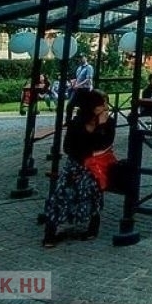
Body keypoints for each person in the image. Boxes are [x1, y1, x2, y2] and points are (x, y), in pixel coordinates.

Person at [43, 89, 115, 247]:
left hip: (96, 165)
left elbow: (103, 144)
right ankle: (50, 230)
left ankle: (93, 225)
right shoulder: (77, 123)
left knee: (90, 187)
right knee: (62, 191)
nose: (105, 108)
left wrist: (101, 126)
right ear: (91, 107)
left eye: (105, 104)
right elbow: (69, 147)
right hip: (76, 163)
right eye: (101, 105)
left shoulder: (108, 123)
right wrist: (86, 153)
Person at [66, 54, 95, 123]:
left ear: (86, 58)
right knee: (70, 105)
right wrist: (73, 83)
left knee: (83, 106)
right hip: (78, 89)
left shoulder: (89, 67)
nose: (81, 59)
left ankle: (83, 121)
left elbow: (88, 79)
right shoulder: (79, 68)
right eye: (80, 58)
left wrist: (78, 85)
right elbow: (77, 78)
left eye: (82, 57)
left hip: (84, 89)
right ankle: (68, 121)